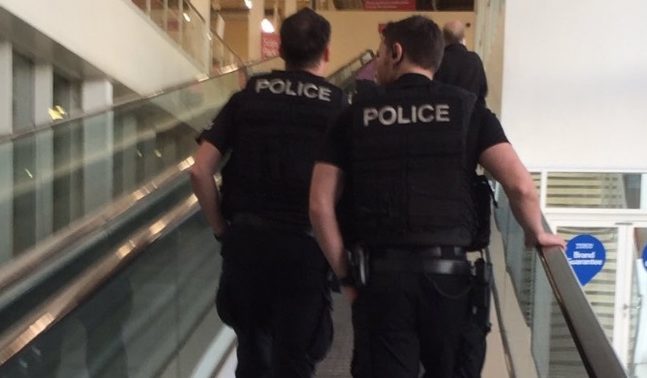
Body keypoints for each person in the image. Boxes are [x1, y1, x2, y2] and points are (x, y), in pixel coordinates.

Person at [309, 15, 564, 378]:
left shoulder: (354, 116)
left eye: (380, 53)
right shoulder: (468, 109)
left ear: (396, 52)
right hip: (450, 279)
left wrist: (347, 278)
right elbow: (520, 185)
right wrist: (535, 232)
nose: (376, 63)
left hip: (381, 278)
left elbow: (320, 205)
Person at [190, 8, 344, 378]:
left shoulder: (247, 96)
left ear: (281, 49)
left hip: (246, 244)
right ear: (326, 52)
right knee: (295, 358)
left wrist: (221, 231)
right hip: (304, 249)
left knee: (252, 354)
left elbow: (199, 170)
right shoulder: (337, 105)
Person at [435, 20, 488, 106]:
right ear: (463, 38)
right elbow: (483, 91)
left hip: (446, 113)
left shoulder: (438, 60)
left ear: (443, 38)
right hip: (471, 114)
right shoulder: (474, 60)